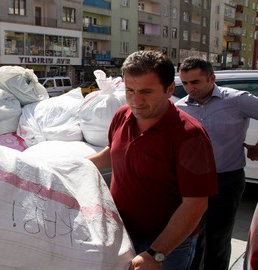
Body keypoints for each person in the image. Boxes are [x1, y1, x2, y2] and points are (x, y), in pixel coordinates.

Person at [88, 50, 218, 270]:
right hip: (122, 234)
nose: (136, 101)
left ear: (169, 90)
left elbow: (196, 204)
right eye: (130, 90)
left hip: (166, 247)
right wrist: (74, 166)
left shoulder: (189, 135)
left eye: (146, 92)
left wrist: (156, 254)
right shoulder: (122, 115)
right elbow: (113, 152)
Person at [175, 57, 258, 270]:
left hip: (226, 180)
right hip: (192, 182)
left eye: (195, 82)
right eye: (185, 83)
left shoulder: (237, 100)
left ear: (211, 78)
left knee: (218, 237)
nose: (189, 88)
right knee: (191, 234)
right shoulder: (179, 108)